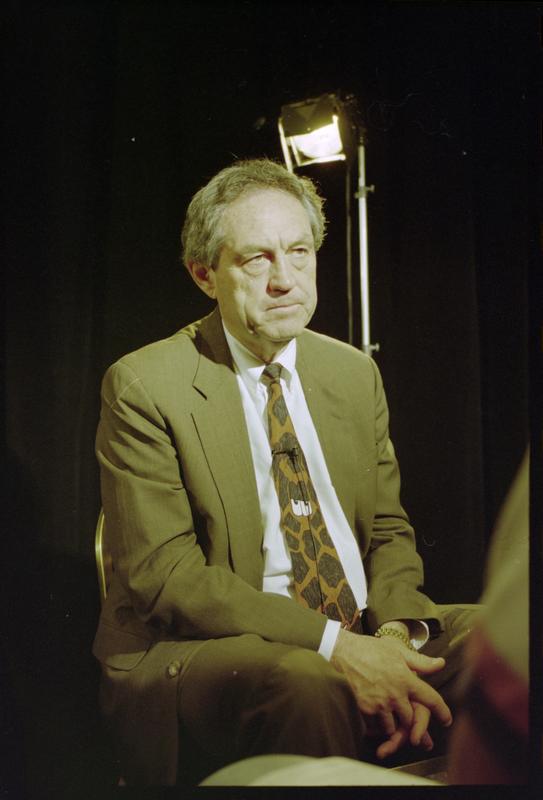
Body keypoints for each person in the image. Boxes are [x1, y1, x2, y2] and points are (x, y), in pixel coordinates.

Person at [93, 158, 477, 786]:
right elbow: (168, 579)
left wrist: (394, 641)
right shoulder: (145, 385)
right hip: (214, 647)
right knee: (307, 682)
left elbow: (386, 530)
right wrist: (337, 647)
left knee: (509, 636)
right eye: (256, 259)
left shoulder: (353, 373)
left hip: (365, 628)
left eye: (299, 252)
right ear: (204, 274)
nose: (285, 280)